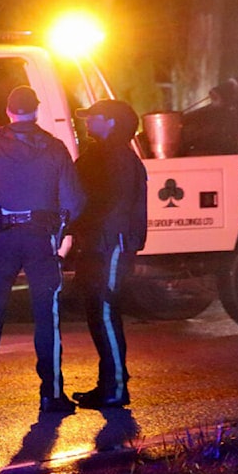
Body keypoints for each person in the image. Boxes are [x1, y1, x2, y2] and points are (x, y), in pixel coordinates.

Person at [0, 85, 85, 413]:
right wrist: (60, 229)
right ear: (37, 109)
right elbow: (75, 201)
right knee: (47, 315)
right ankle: (51, 394)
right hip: (41, 238)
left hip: (3, 239)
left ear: (8, 110)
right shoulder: (55, 148)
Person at [69, 99, 147, 409]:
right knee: (98, 313)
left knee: (104, 312)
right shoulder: (104, 155)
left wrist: (73, 225)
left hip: (111, 243)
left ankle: (115, 388)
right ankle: (108, 384)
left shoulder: (115, 158)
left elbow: (102, 202)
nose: (87, 121)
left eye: (93, 117)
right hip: (99, 243)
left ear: (111, 122)